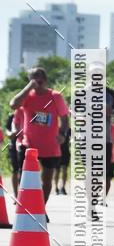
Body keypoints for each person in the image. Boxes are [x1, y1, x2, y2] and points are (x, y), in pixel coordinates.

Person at [9, 67, 69, 205]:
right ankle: (25, 205)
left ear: (46, 79)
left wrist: (62, 133)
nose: (37, 79)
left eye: (40, 76)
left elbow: (65, 119)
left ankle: (41, 208)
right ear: (29, 80)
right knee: (24, 177)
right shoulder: (26, 97)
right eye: (33, 77)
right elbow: (13, 105)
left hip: (50, 146)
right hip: (28, 145)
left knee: (46, 180)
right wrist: (28, 87)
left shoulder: (55, 96)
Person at [5, 108, 24, 197]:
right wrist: (11, 134)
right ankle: (16, 195)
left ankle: (23, 194)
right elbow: (7, 130)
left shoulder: (28, 113)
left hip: (25, 145)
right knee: (15, 170)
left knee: (23, 170)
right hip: (13, 145)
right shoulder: (11, 116)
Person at [54, 125, 71, 194]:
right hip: (57, 151)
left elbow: (72, 138)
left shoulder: (69, 129)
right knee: (57, 170)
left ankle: (63, 187)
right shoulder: (56, 128)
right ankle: (56, 188)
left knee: (64, 170)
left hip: (65, 152)